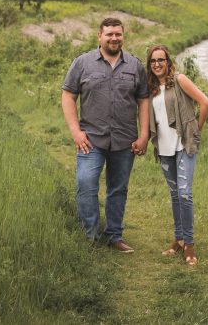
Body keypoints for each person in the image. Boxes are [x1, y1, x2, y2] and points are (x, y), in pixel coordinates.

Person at [61, 17, 150, 252]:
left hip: (125, 139)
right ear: (99, 36)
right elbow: (68, 96)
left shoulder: (135, 66)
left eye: (118, 34)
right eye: (109, 34)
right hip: (91, 139)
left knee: (118, 188)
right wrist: (75, 132)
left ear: (123, 36)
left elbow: (143, 100)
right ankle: (89, 236)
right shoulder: (82, 63)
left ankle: (114, 235)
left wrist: (144, 135)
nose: (114, 38)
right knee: (85, 184)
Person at [145, 44, 208, 266]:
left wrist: (196, 131)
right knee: (175, 194)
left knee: (184, 193)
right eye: (153, 61)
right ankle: (179, 239)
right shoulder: (151, 89)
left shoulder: (180, 80)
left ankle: (190, 245)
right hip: (163, 148)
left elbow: (205, 103)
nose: (157, 64)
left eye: (161, 60)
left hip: (183, 145)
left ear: (168, 62)